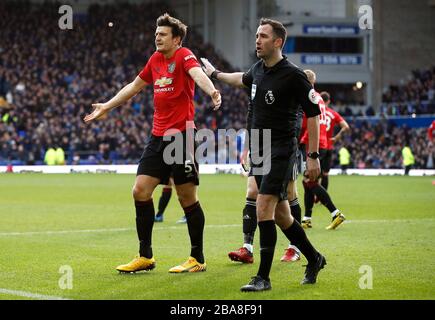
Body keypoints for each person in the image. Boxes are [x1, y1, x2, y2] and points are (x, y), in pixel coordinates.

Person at [84, 13, 221, 273]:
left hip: (181, 137)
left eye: (163, 34)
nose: (157, 37)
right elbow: (134, 86)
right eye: (156, 33)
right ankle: (145, 257)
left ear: (176, 39)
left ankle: (197, 259)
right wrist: (107, 106)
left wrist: (212, 90)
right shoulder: (155, 59)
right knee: (140, 191)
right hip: (157, 137)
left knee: (186, 198)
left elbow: (197, 73)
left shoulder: (184, 56)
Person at [201, 18, 326, 291]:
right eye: (257, 35)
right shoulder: (258, 69)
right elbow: (241, 79)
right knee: (282, 216)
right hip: (259, 147)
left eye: (263, 36)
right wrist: (216, 75)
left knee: (263, 206)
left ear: (278, 42)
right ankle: (315, 258)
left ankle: (263, 278)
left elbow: (314, 114)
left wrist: (313, 155)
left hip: (281, 149)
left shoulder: (294, 75)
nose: (257, 40)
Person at [299, 70, 346, 231]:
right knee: (308, 183)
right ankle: (307, 219)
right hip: (321, 142)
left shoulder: (307, 95)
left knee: (308, 181)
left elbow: (308, 122)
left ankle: (335, 213)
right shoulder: (317, 97)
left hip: (315, 143)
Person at [319, 91, 350, 190]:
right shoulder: (333, 113)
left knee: (313, 175)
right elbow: (346, 127)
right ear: (328, 101)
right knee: (325, 173)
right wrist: (337, 137)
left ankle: (314, 197)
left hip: (318, 145)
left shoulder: (316, 112)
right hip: (329, 145)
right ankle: (322, 198)